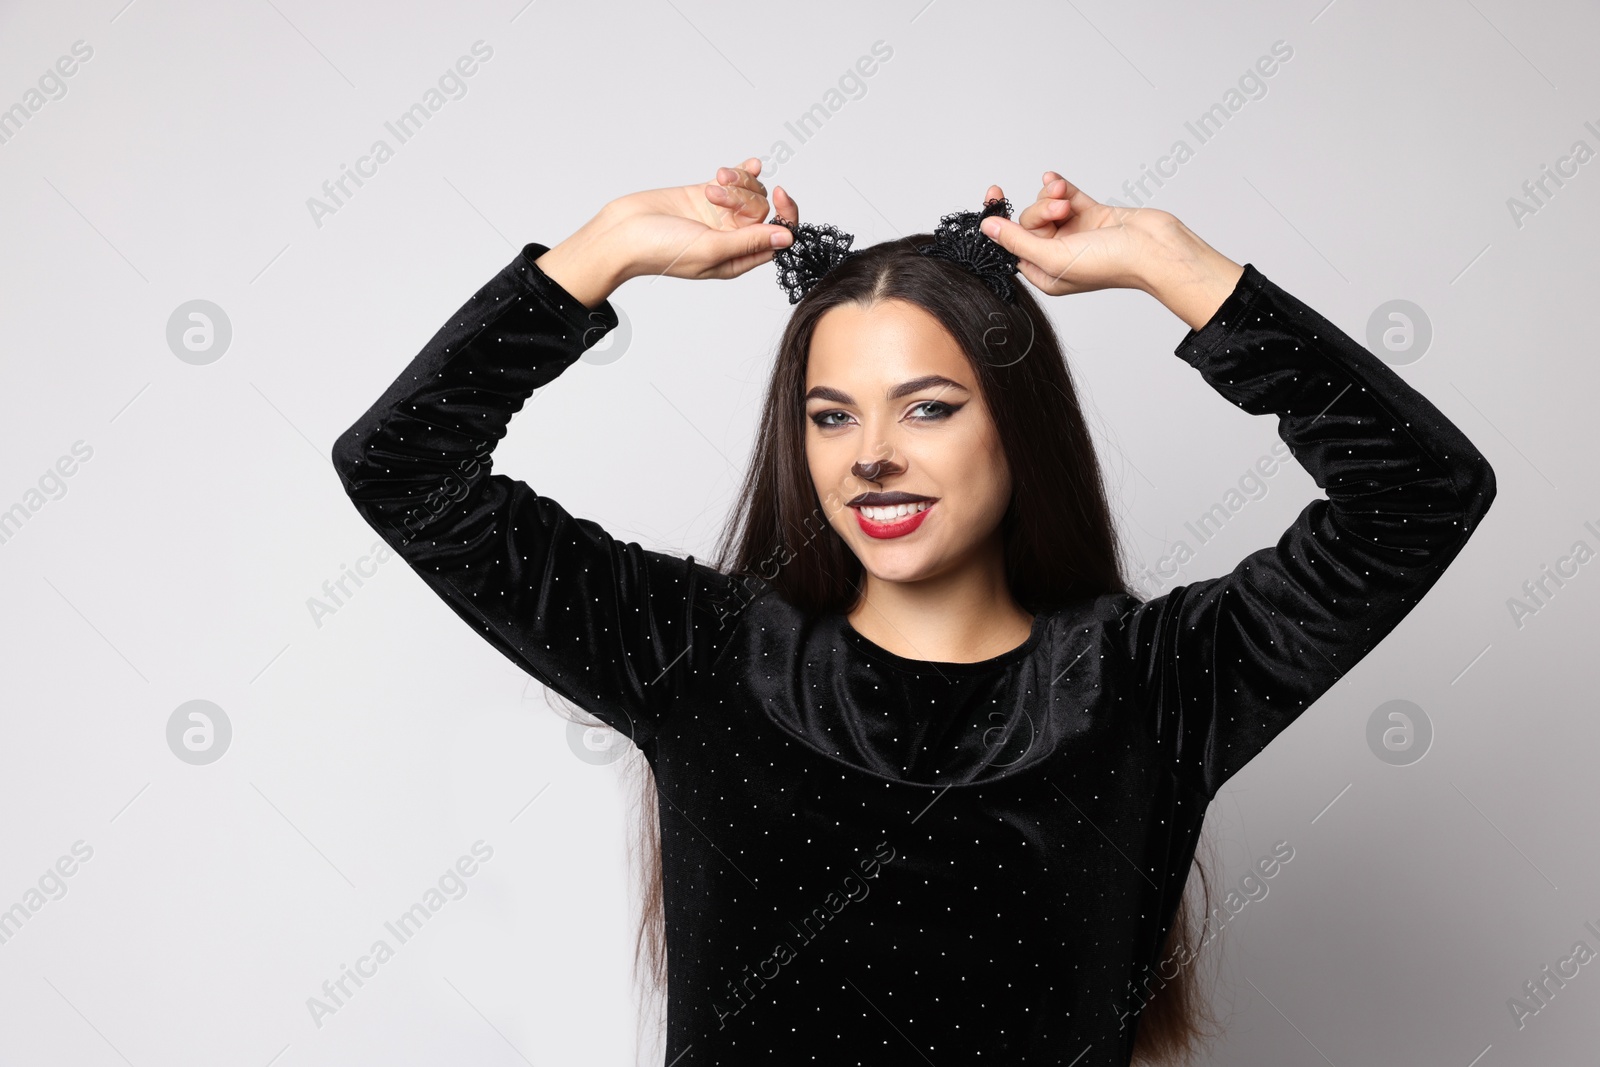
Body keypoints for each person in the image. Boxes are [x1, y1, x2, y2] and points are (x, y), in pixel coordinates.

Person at [331, 157, 1496, 1065]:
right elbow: (404, 467)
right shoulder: (697, 656)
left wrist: (1167, 261)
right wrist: (605, 249)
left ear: (1014, 426)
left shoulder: (1154, 683)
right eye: (831, 416)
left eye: (927, 407)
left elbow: (1417, 493)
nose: (872, 456)